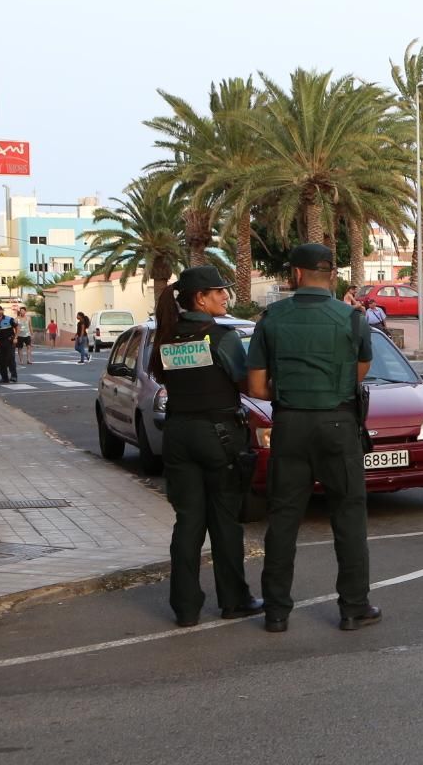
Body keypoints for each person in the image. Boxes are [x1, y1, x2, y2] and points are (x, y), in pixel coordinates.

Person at [246, 242, 379, 633]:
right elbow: (361, 370)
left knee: (284, 518)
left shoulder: (270, 318)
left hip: (289, 426)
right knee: (349, 517)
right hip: (338, 425)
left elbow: (256, 386)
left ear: (296, 274)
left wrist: (292, 390)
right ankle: (354, 608)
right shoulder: (353, 319)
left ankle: (275, 612)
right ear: (331, 276)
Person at [154, 267, 264, 627]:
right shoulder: (222, 337)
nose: (224, 297)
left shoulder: (168, 337)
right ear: (200, 297)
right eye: (218, 292)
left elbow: (163, 377)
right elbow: (244, 382)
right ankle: (234, 600)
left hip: (178, 433)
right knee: (224, 521)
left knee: (187, 522)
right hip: (218, 436)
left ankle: (185, 608)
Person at [0, 306, 19, 384]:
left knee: (10, 359)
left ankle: (14, 377)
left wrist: (15, 338)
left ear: (2, 311)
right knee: (1, 361)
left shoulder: (9, 319)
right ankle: (4, 378)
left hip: (9, 342)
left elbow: (17, 328)